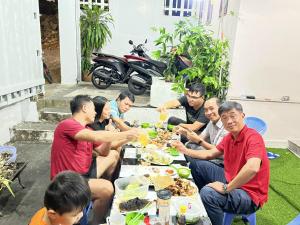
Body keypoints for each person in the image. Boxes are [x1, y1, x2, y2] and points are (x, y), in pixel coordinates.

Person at [172, 101, 270, 225]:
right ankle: (204, 205)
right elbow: (210, 153)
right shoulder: (229, 137)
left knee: (208, 194)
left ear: (242, 116)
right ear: (222, 121)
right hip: (231, 179)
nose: (229, 121)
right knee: (197, 165)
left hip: (250, 195)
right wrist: (184, 150)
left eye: (233, 116)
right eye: (224, 118)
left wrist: (226, 188)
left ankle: (210, 203)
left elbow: (252, 168)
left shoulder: (253, 137)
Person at [50, 95, 139, 224]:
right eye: (94, 109)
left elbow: (104, 152)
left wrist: (115, 137)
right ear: (84, 108)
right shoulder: (67, 124)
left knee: (113, 155)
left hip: (84, 172)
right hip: (67, 182)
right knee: (106, 188)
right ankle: (96, 221)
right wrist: (125, 133)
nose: (96, 112)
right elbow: (95, 137)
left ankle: (106, 201)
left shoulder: (87, 129)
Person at [177, 97, 228, 165]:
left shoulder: (227, 126)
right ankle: (189, 163)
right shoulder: (211, 122)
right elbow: (200, 137)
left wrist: (198, 141)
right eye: (206, 110)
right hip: (212, 152)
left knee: (195, 162)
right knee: (189, 145)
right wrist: (184, 132)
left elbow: (218, 151)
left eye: (211, 108)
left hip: (222, 160)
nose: (208, 112)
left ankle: (192, 164)